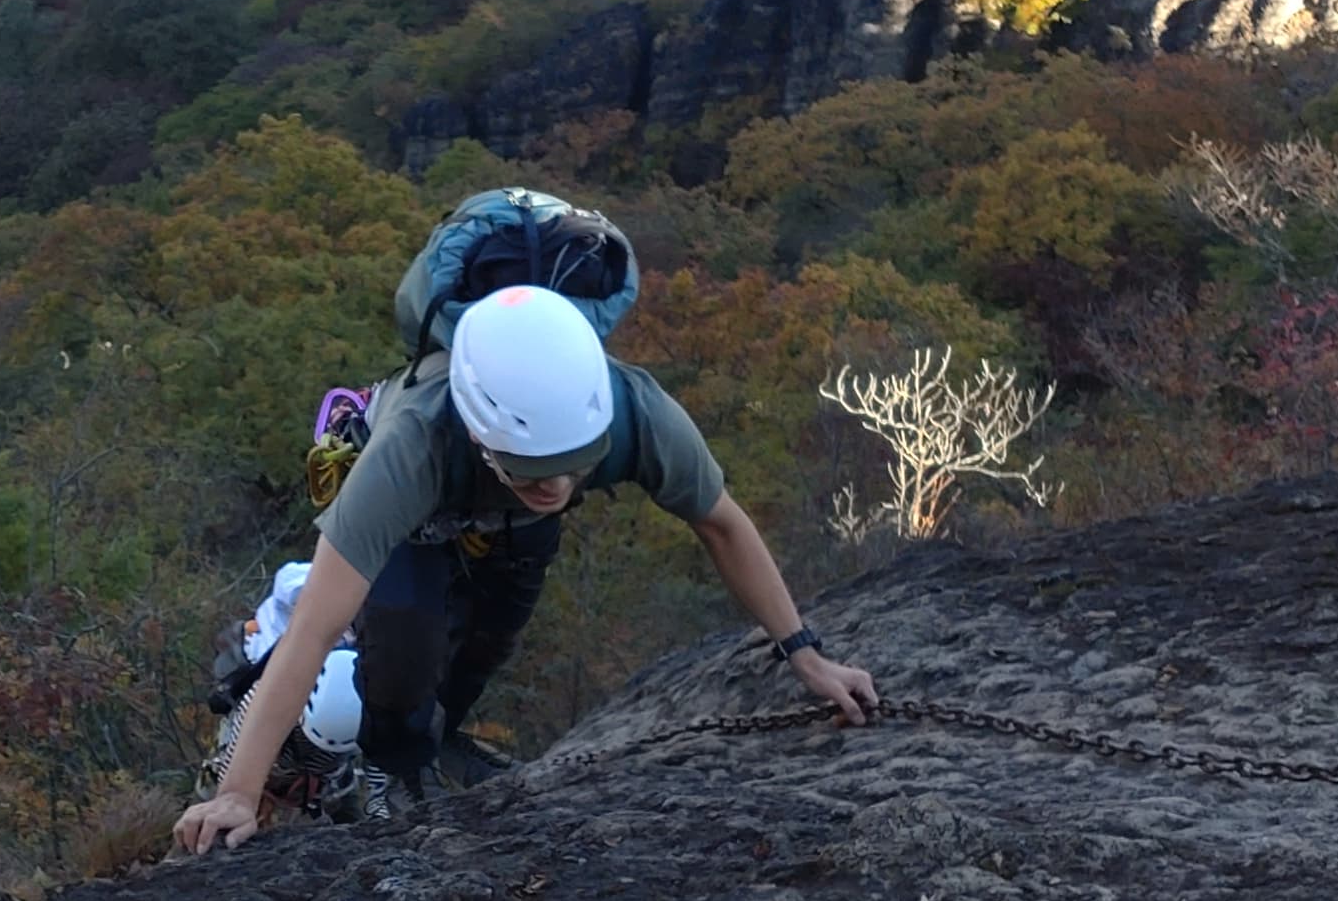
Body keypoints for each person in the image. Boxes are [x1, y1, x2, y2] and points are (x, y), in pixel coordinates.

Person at [172, 281, 877, 854]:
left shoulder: (633, 414)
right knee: (404, 649)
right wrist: (236, 793)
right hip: (421, 523)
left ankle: (431, 746)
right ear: (482, 436)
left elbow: (722, 524)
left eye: (571, 470)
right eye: (533, 471)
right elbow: (315, 632)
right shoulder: (411, 449)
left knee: (484, 648)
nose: (555, 484)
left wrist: (805, 655)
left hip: (513, 533)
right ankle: (392, 767)